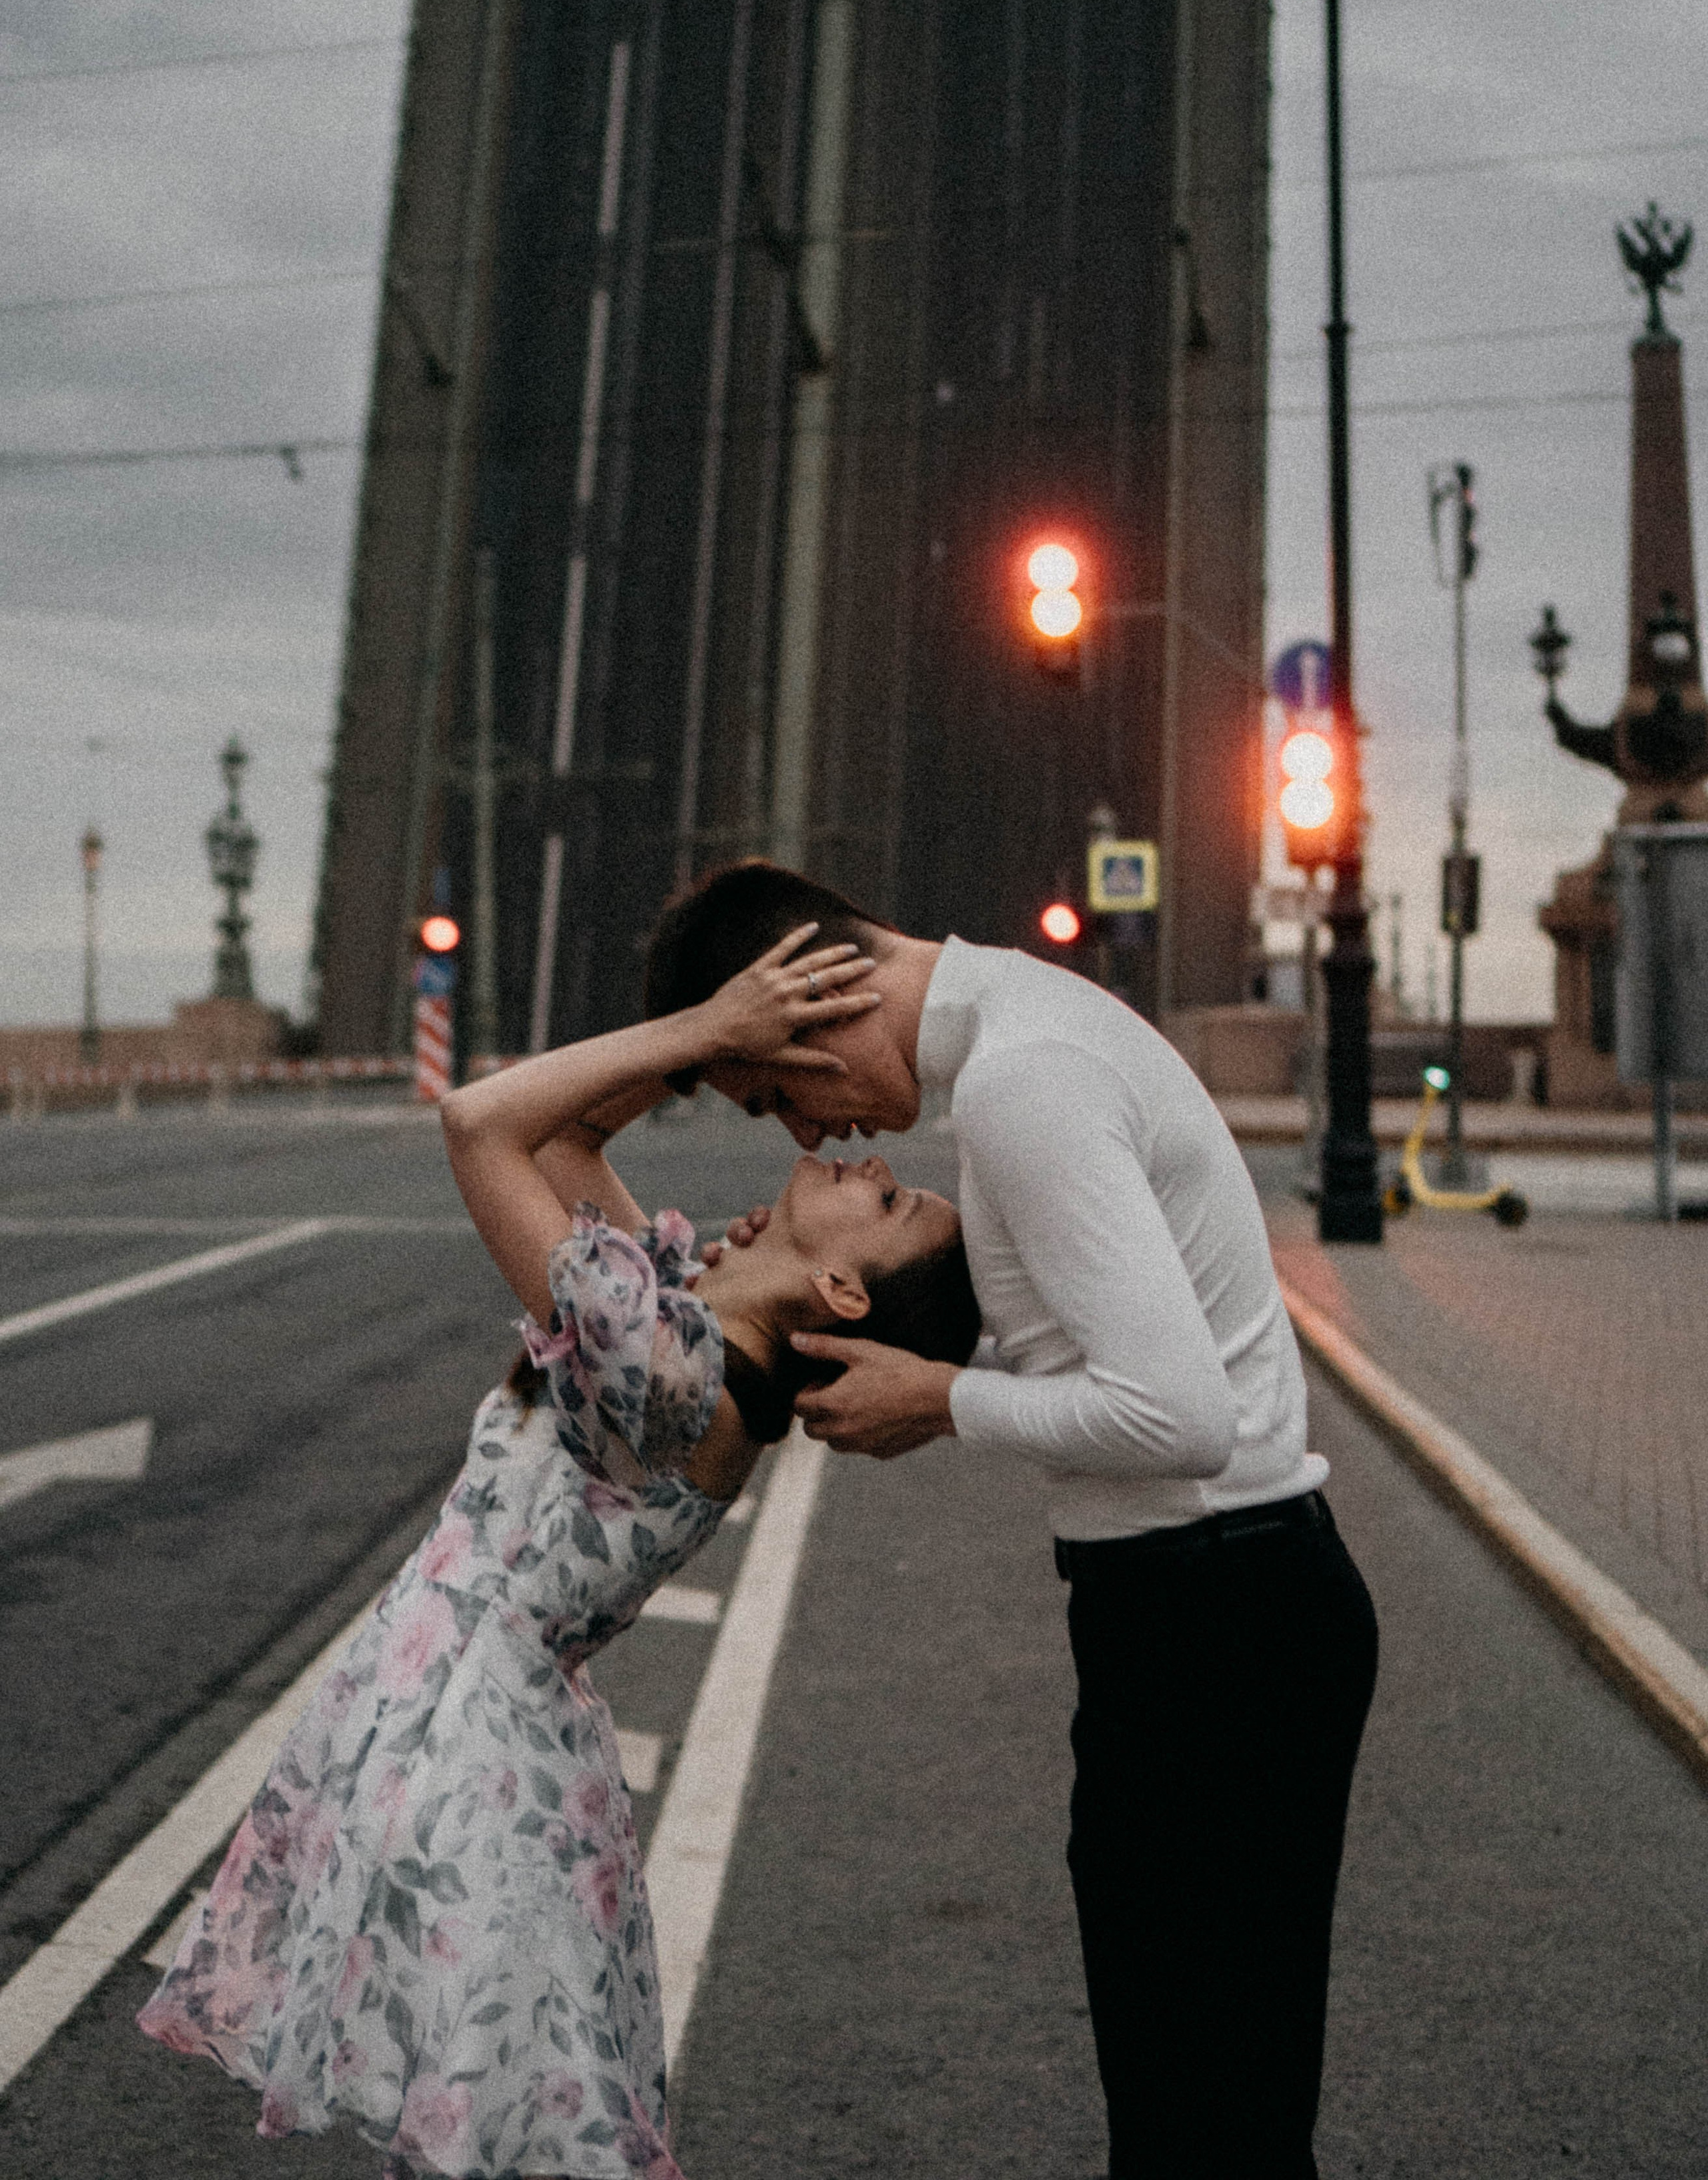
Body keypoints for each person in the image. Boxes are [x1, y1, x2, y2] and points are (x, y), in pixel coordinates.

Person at [136, 936, 977, 2180]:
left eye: (894, 1204)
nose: (881, 1169)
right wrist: (718, 1047)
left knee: (504, 2142)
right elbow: (571, 1150)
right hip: (468, 1732)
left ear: (846, 1292)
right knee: (503, 2140)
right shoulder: (691, 1329)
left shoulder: (668, 1373)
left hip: (471, 1763)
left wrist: (704, 1032)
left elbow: (482, 1124)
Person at [644, 860, 1380, 2180]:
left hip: (1215, 1619)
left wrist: (943, 1400)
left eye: (775, 1094)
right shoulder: (1027, 1033)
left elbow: (1176, 1416)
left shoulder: (1020, 1085)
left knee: (1197, 2127)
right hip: (1224, 1609)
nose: (805, 1137)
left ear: (821, 999)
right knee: (1218, 2117)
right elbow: (1076, 1341)